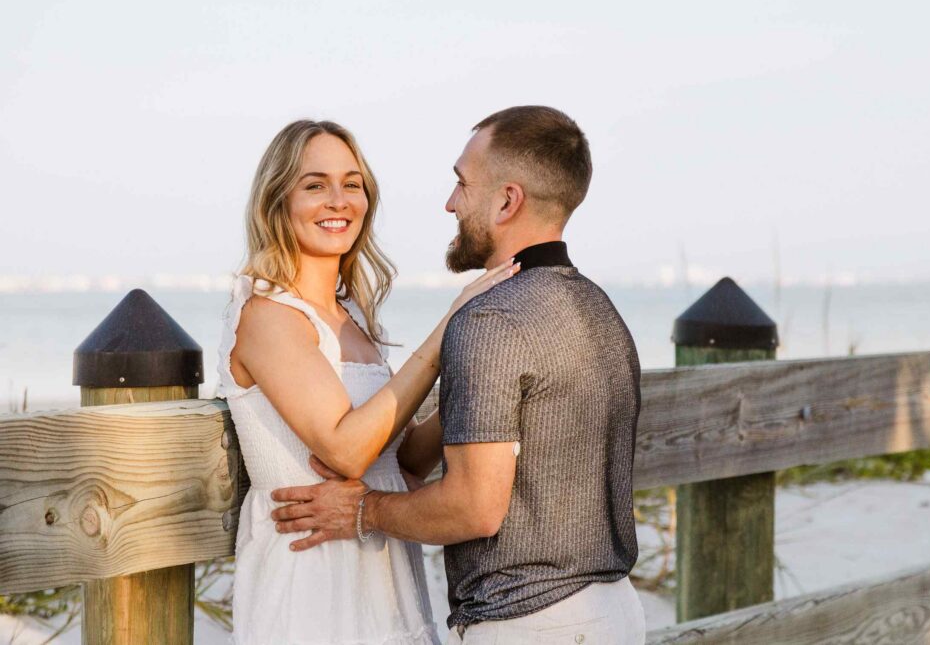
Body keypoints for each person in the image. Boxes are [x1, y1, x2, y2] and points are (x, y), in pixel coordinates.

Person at [271, 106, 646, 643]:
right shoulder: (598, 308)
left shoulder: (490, 318)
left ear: (507, 201)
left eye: (461, 184)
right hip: (618, 615)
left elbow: (472, 508)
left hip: (529, 624)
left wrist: (363, 510)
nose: (450, 203)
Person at [215, 119, 519, 644]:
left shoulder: (351, 315)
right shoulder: (267, 313)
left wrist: (488, 374)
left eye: (351, 184)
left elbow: (400, 460)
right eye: (315, 185)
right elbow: (346, 452)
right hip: (310, 573)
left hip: (380, 564)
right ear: (277, 201)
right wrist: (448, 332)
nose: (338, 201)